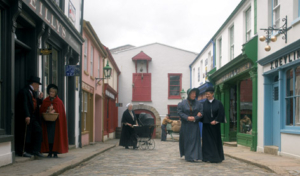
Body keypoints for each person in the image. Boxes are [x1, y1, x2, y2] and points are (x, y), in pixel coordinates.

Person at [15, 76, 44, 158]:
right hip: (26, 115)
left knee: (37, 131)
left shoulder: (33, 93)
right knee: (23, 133)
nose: (38, 86)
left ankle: (35, 151)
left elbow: (33, 102)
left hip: (33, 116)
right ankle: (21, 151)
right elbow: (24, 104)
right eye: (38, 85)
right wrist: (27, 115)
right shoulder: (24, 91)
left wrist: (40, 99)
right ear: (34, 84)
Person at [40, 84, 68, 158]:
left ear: (55, 93)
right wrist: (47, 110)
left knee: (56, 137)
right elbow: (42, 110)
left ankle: (55, 152)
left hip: (56, 123)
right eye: (50, 92)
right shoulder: (46, 101)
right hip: (47, 123)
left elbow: (61, 113)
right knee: (48, 137)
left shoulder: (59, 102)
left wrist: (54, 110)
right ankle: (49, 152)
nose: (51, 93)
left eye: (52, 92)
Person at [177, 88, 203, 162]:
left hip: (194, 125)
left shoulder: (199, 104)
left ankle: (195, 156)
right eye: (192, 93)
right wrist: (187, 117)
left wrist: (195, 118)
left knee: (194, 140)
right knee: (187, 140)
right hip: (186, 125)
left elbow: (201, 113)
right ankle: (188, 156)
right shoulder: (182, 103)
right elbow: (180, 112)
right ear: (188, 94)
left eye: (195, 93)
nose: (194, 95)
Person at [201, 87, 226, 163]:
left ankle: (216, 157)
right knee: (207, 142)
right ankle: (206, 157)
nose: (207, 95)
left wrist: (216, 121)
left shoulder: (218, 103)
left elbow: (221, 113)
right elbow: (201, 113)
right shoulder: (203, 104)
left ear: (212, 94)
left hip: (215, 126)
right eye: (206, 94)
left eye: (208, 94)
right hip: (206, 126)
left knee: (215, 141)